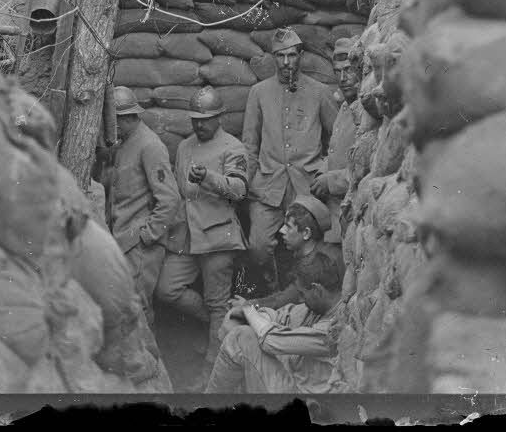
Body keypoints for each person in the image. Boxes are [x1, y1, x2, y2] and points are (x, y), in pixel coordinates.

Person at [156, 85, 249, 380]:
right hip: (186, 237)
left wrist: (208, 177)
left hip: (218, 237)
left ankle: (212, 371)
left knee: (218, 301)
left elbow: (240, 189)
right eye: (195, 118)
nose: (199, 124)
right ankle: (216, 323)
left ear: (219, 117)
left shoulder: (232, 147)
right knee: (167, 288)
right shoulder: (184, 146)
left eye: (205, 118)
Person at [242, 27, 339, 292]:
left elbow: (338, 141)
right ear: (273, 57)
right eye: (281, 56)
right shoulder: (259, 93)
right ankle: (274, 291)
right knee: (258, 247)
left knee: (309, 249)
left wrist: (325, 170)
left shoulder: (319, 92)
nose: (287, 63)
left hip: (306, 187)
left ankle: (300, 296)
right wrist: (245, 182)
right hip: (268, 187)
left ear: (301, 55)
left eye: (292, 56)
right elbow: (249, 145)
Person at [204, 251, 343, 394]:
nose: (300, 300)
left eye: (302, 294)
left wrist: (248, 309)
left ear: (317, 290)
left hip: (309, 401)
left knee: (240, 337)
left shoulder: (337, 325)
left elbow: (269, 340)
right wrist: (254, 316)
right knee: (240, 327)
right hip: (292, 381)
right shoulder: (316, 308)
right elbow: (279, 315)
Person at [106, 85, 180, 323]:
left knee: (137, 312)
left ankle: (150, 360)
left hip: (139, 247)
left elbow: (170, 199)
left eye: (114, 119)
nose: (111, 125)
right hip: (123, 241)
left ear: (127, 117)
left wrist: (148, 235)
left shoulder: (149, 145)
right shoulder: (125, 143)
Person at [248, 194, 343, 310]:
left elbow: (287, 298)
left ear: (306, 233)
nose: (282, 230)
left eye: (288, 226)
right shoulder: (308, 253)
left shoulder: (321, 260)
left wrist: (249, 305)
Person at [310, 37, 363, 244]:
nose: (343, 78)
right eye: (337, 71)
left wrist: (330, 181)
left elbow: (369, 169)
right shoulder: (344, 107)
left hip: (357, 209)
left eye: (348, 70)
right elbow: (338, 151)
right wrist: (322, 173)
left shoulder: (369, 112)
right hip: (339, 209)